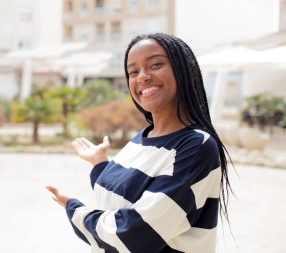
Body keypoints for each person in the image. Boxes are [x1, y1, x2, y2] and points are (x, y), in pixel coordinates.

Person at [46, 33, 232, 253]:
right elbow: (122, 197)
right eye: (133, 71)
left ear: (183, 70)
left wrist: (74, 210)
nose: (142, 77)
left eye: (155, 64)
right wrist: (100, 165)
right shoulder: (144, 136)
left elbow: (135, 234)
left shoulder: (196, 146)